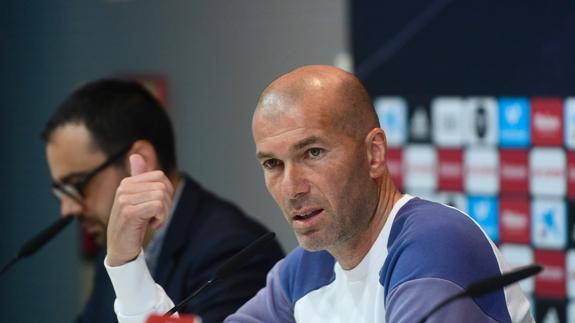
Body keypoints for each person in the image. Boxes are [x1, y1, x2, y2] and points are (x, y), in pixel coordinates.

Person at [105, 66, 534, 322]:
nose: (292, 187)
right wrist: (126, 261)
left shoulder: (434, 244)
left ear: (374, 154)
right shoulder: (303, 273)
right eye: (272, 164)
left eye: (312, 153)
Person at [42, 78, 284, 323]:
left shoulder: (235, 250)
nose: (68, 209)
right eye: (62, 191)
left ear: (139, 160)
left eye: (78, 184)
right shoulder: (115, 245)